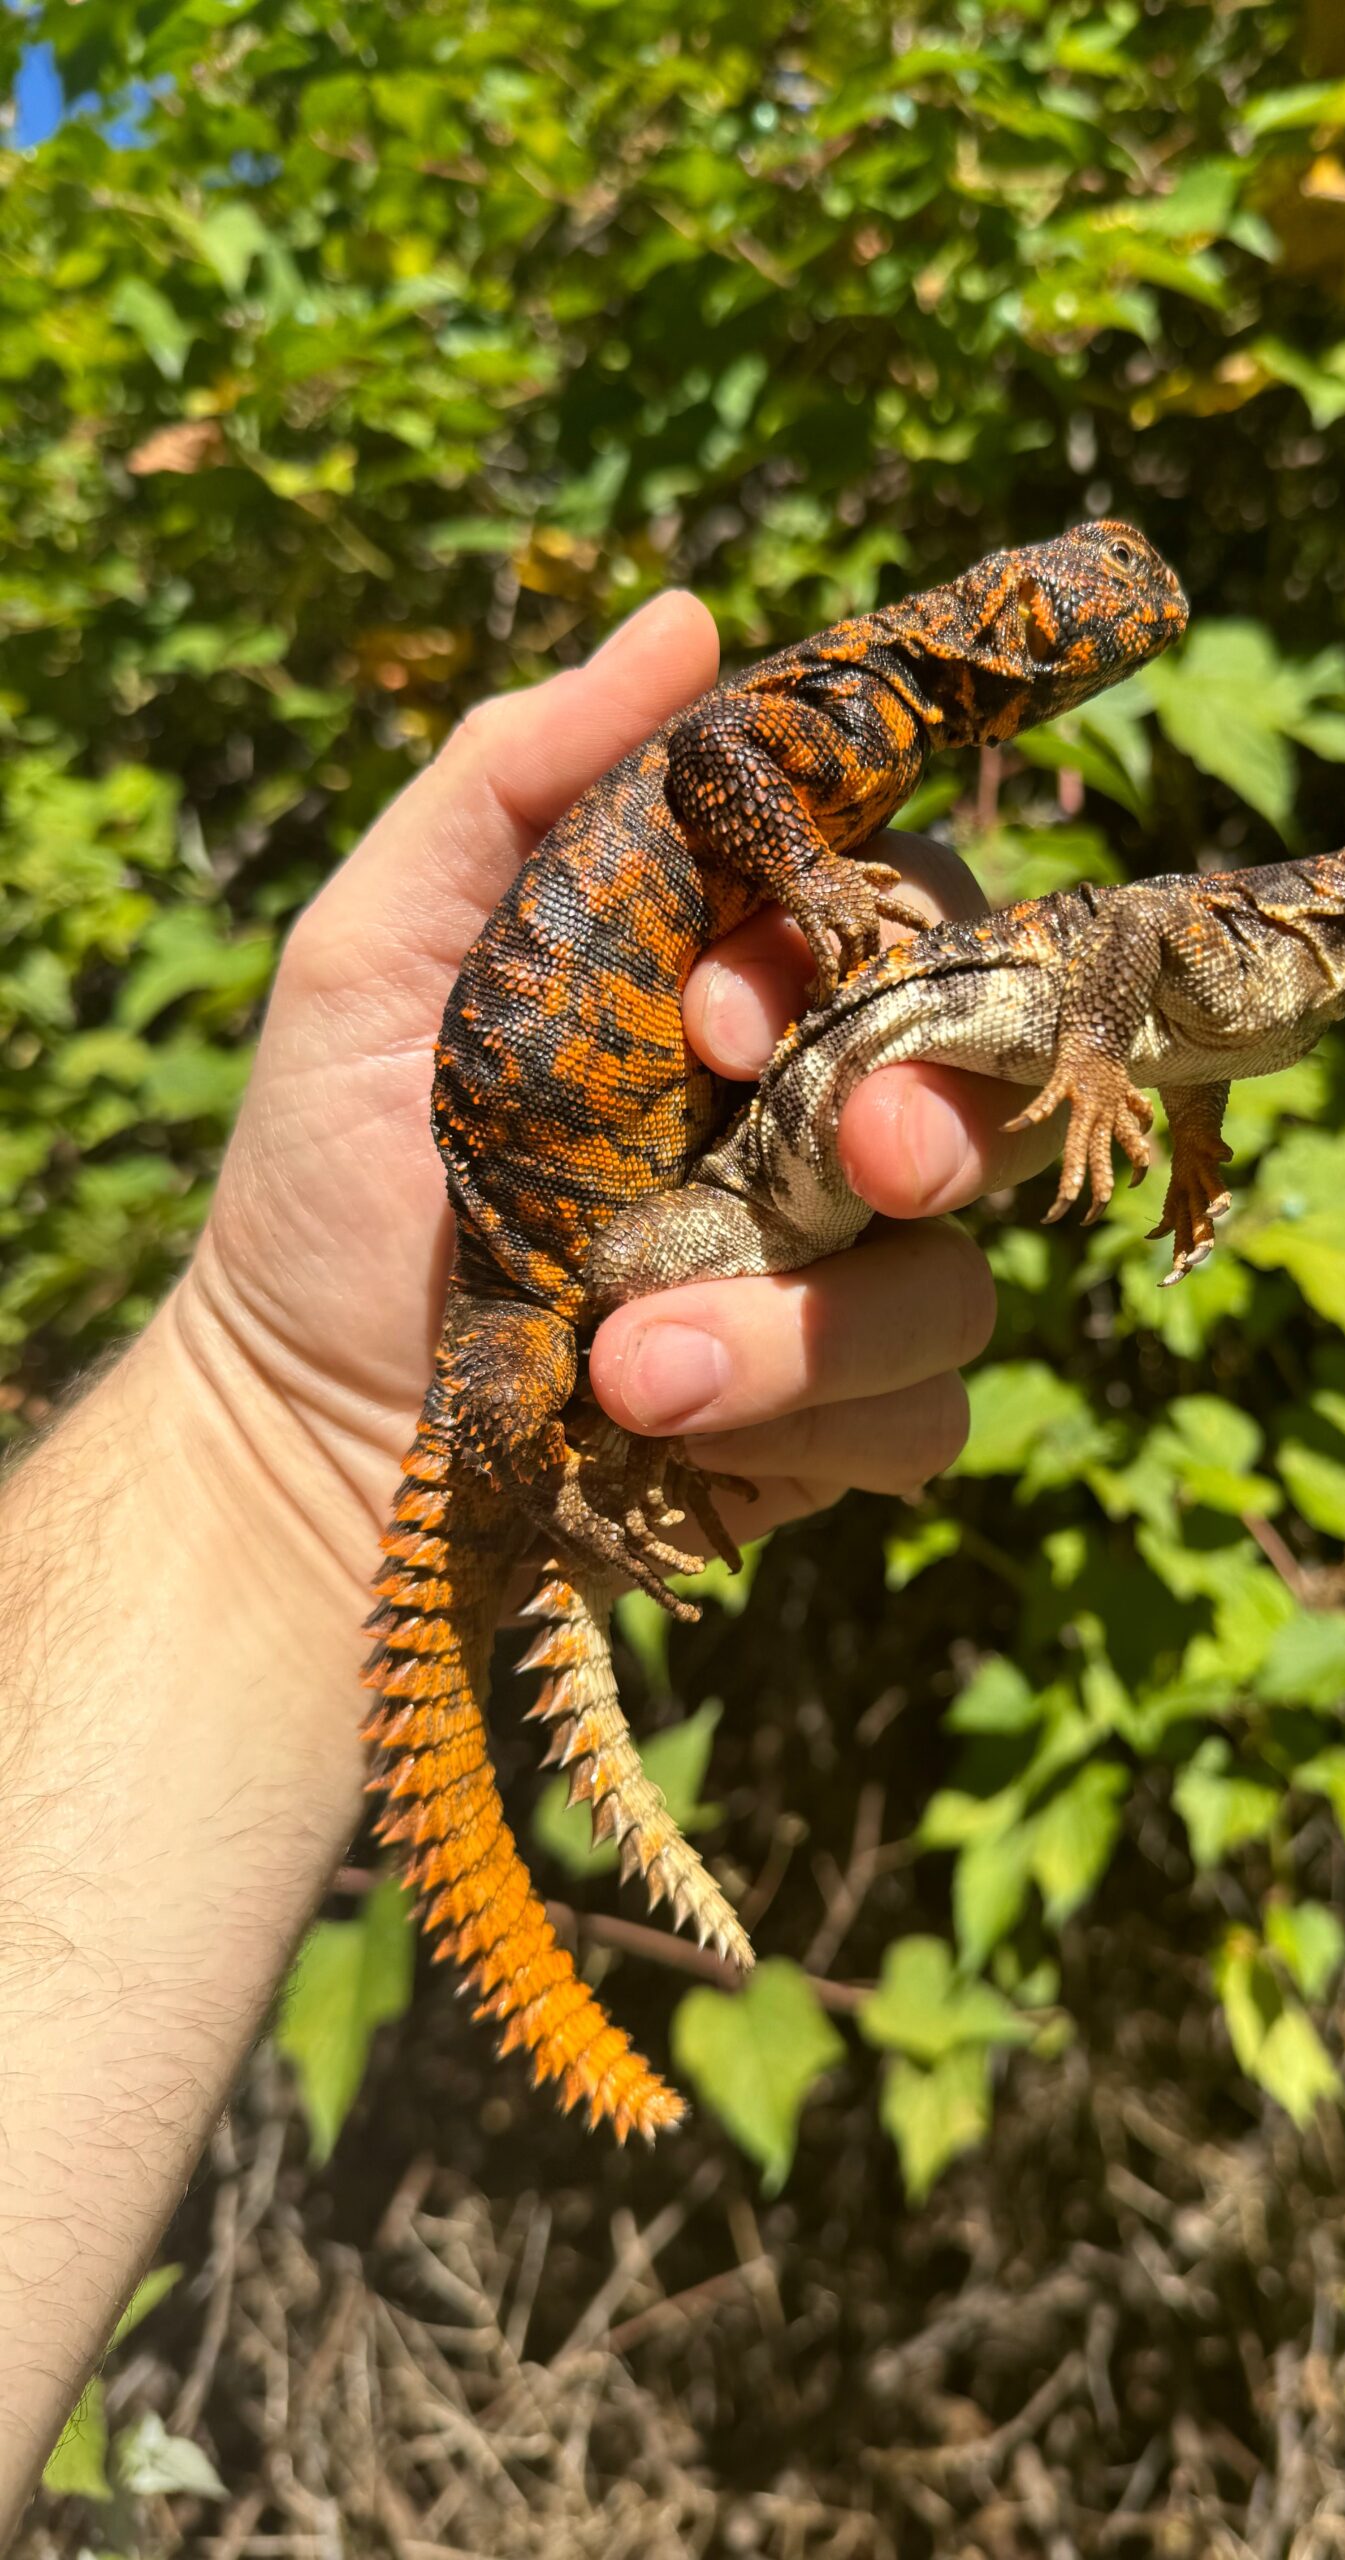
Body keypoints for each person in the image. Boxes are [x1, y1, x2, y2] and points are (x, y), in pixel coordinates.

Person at [0, 590, 1062, 2512]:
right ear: (1013, 628)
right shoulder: (828, 714)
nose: (1113, 622)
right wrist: (812, 898)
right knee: (554, 1404)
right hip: (521, 1251)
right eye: (1084, 599)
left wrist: (291, 1436)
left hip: (581, 1208)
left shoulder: (863, 733)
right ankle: (557, 1484)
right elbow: (730, 766)